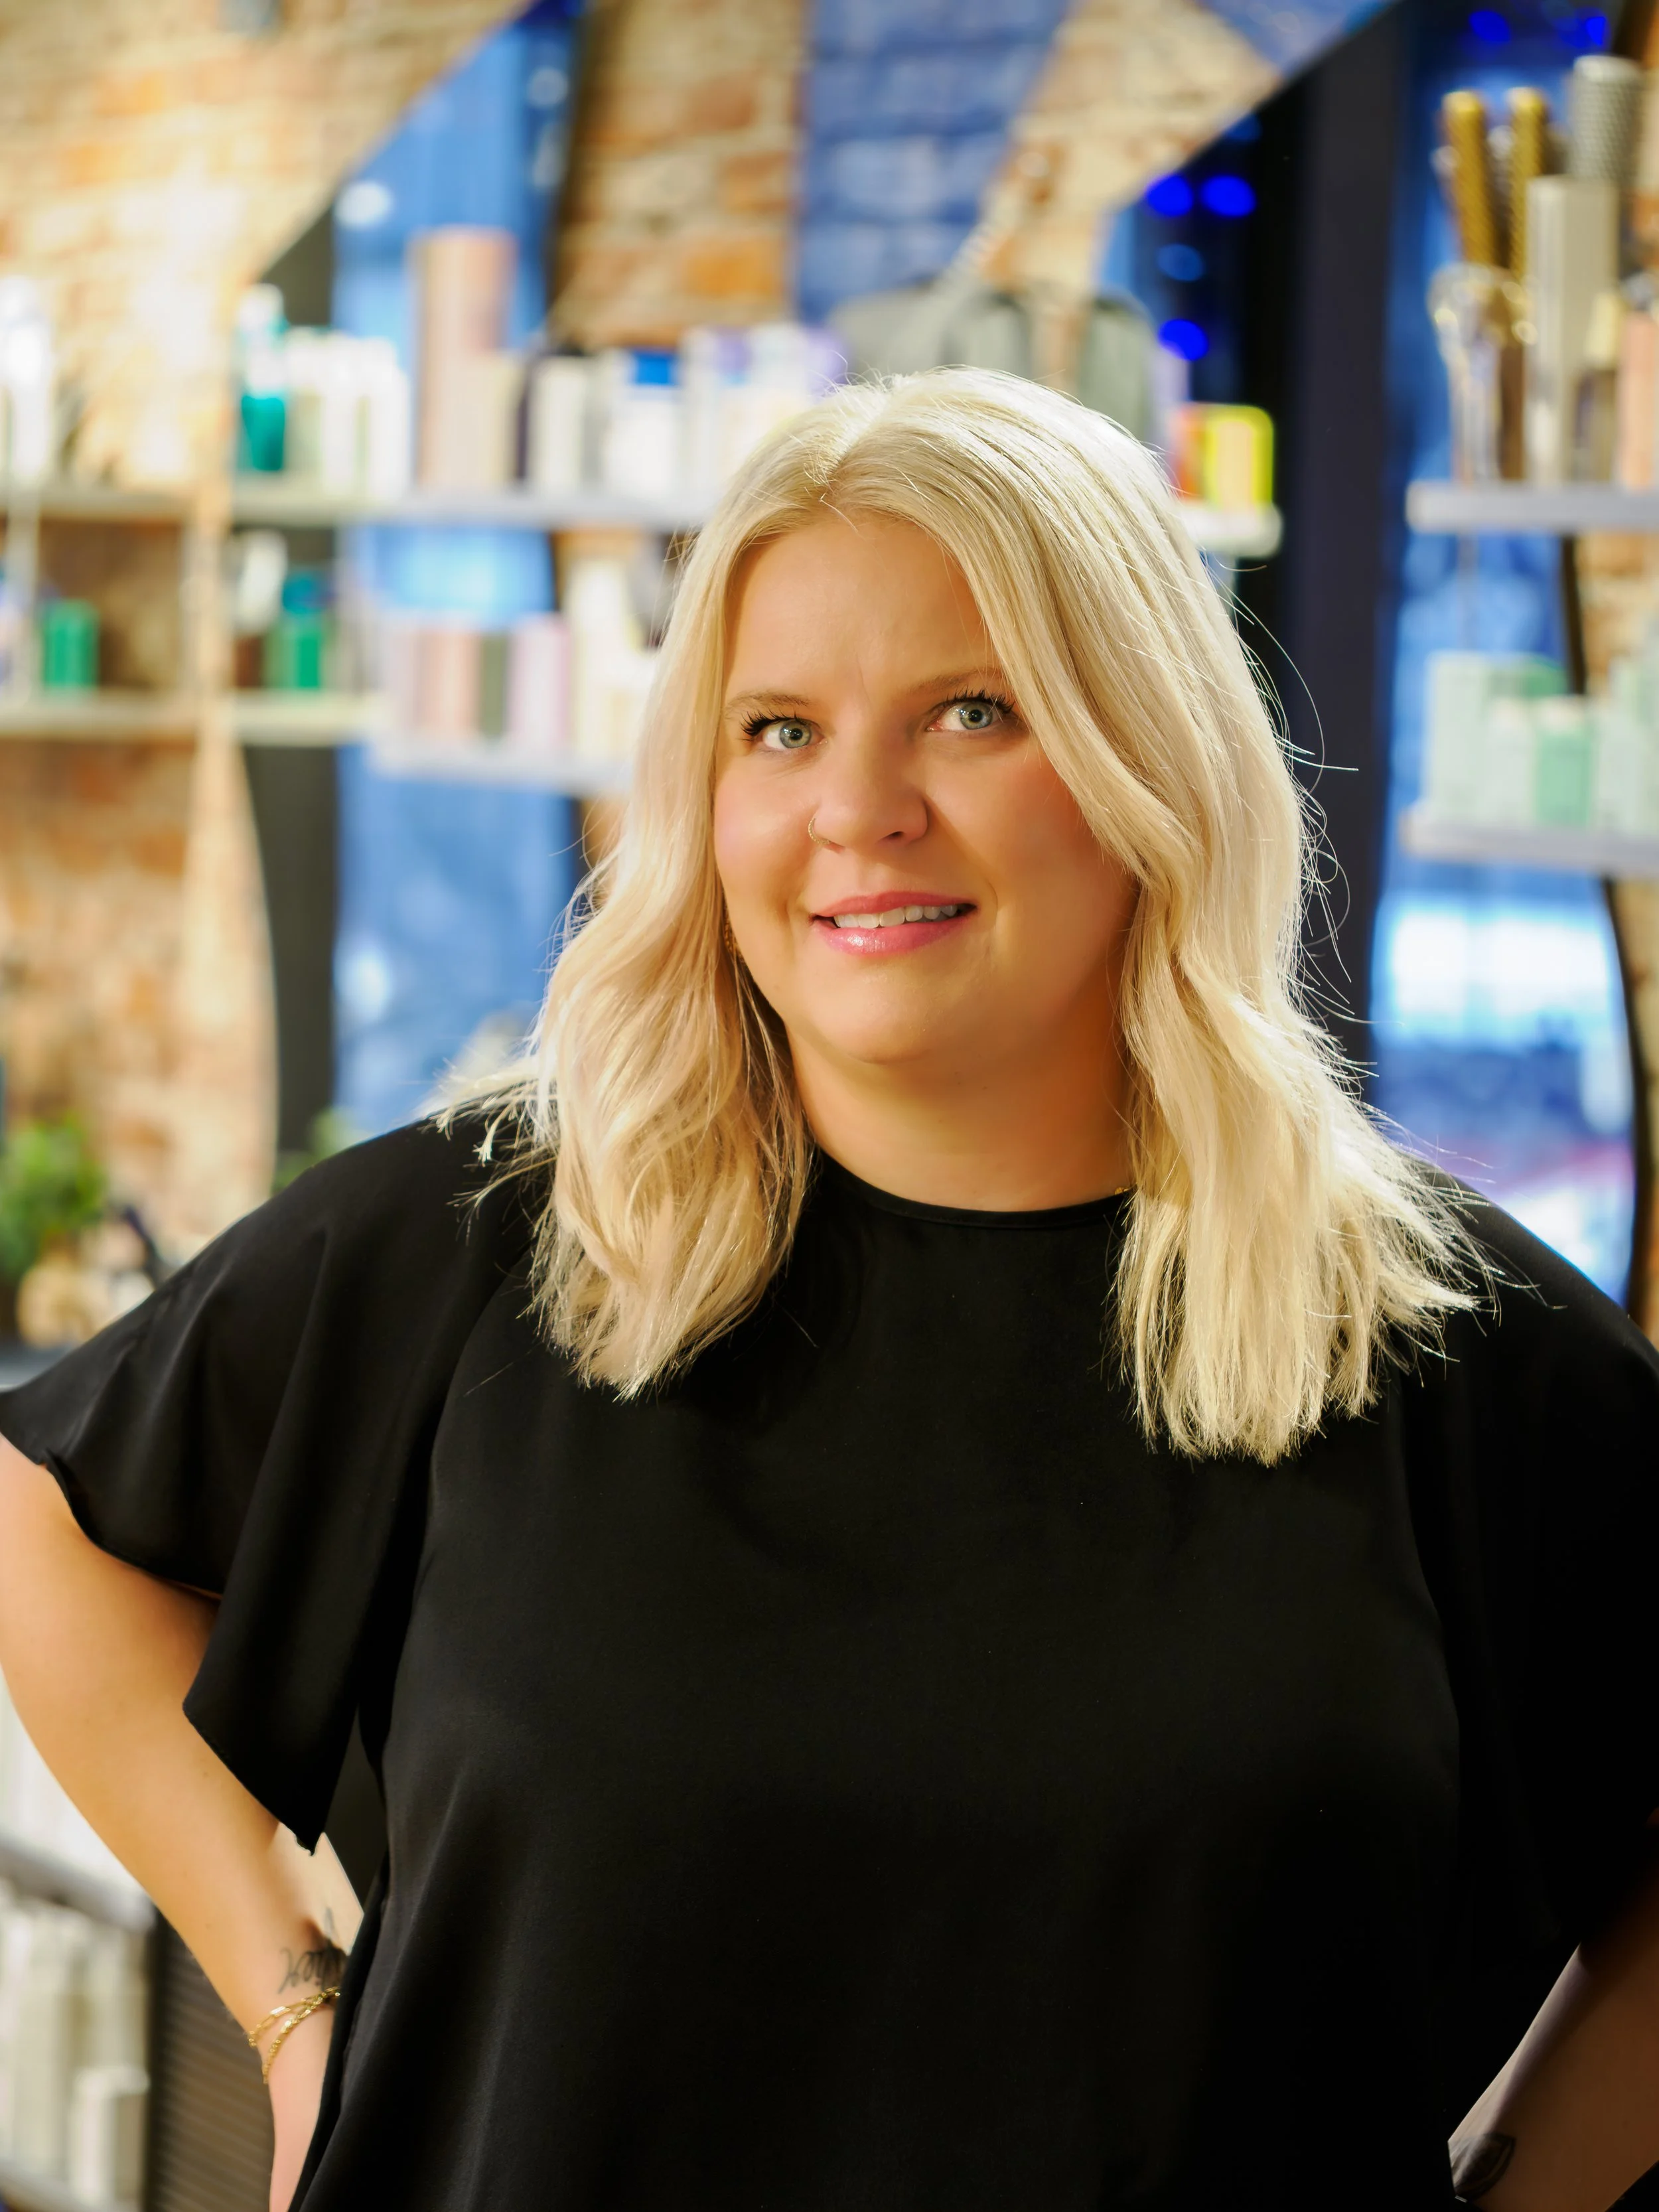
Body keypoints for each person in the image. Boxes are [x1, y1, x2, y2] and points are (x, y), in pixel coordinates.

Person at [1, 368, 1656, 2212]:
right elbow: (42, 1512)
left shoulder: (1437, 1339)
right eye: (775, 729)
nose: (857, 810)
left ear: (1149, 757)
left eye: (971, 709)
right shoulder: (482, 1248)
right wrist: (295, 1992)